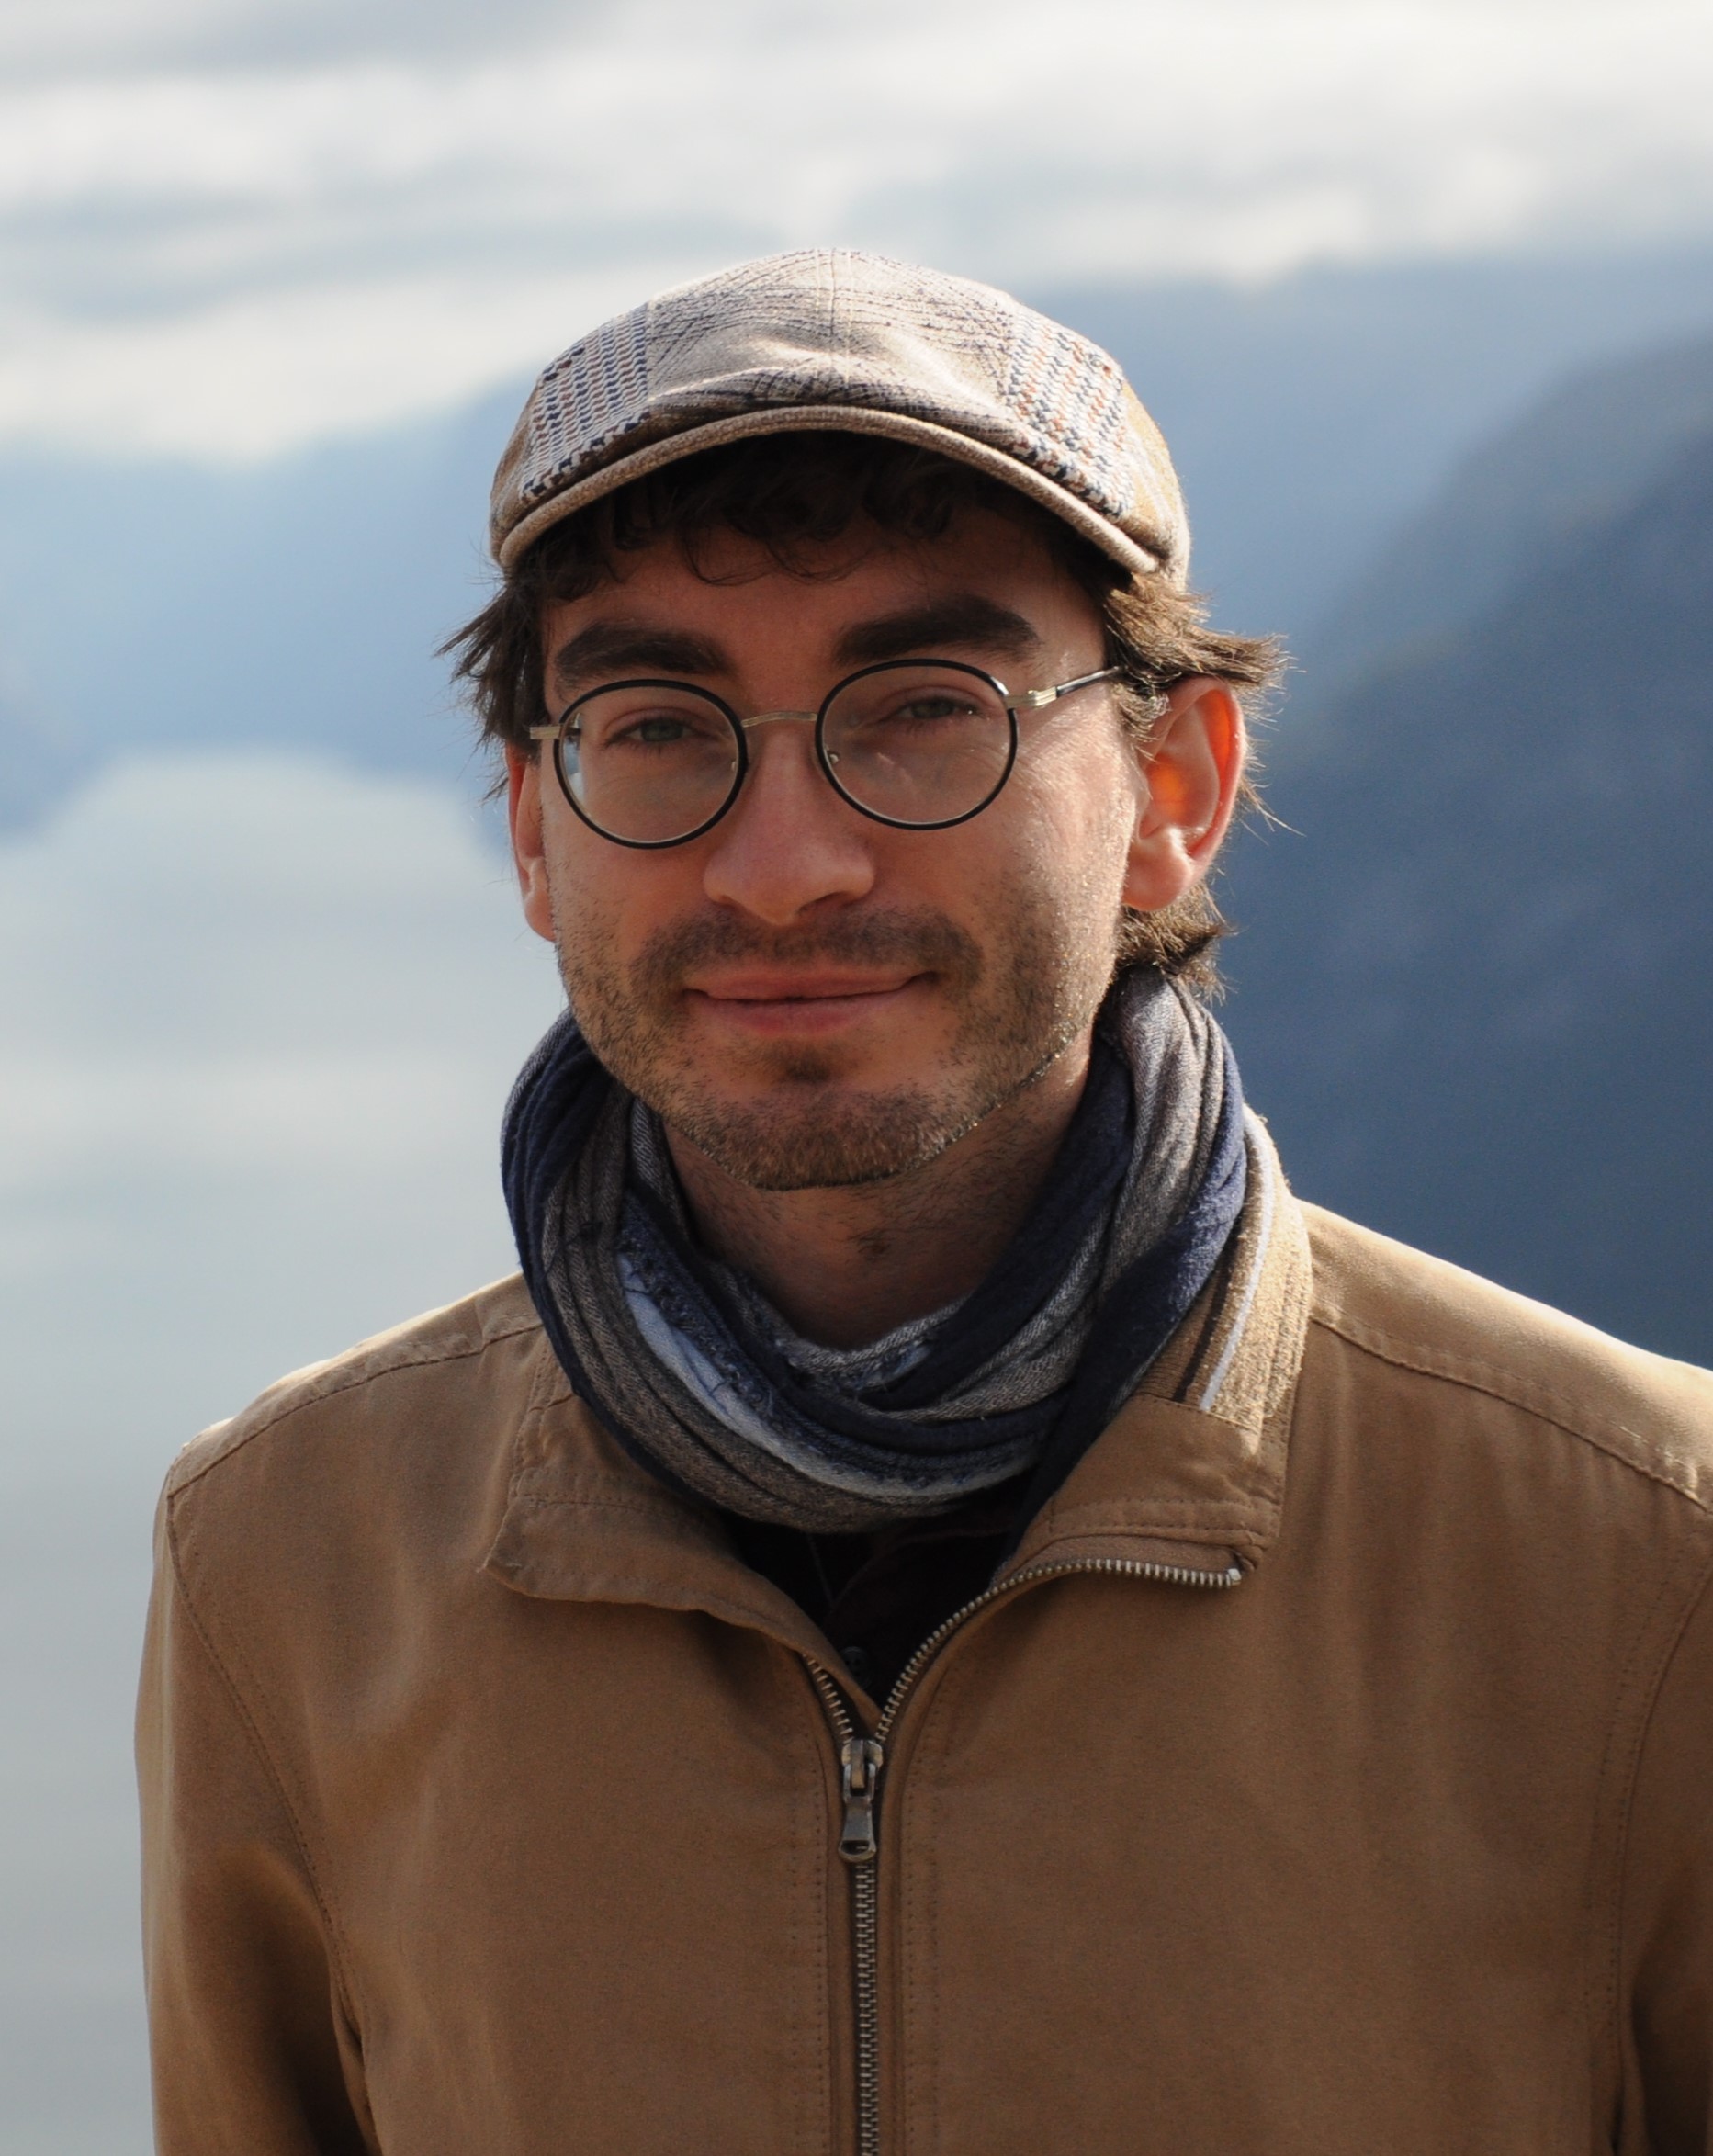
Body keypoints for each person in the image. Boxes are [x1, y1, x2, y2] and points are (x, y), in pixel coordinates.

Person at [137, 250, 1713, 2156]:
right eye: (656, 725)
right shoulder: (292, 1562)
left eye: (920, 709)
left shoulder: (1645, 1562)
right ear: (537, 829)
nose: (784, 864)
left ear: (1171, 788)